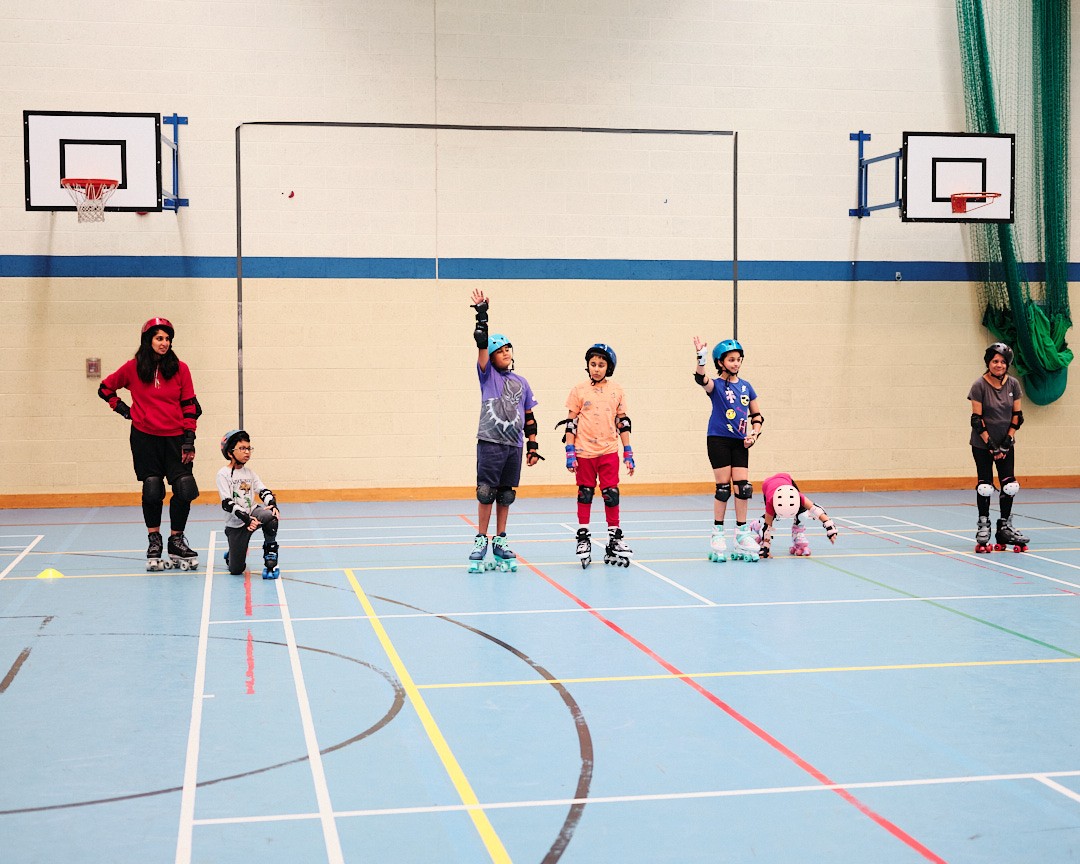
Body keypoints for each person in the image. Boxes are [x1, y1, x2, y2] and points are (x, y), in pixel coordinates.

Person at [98, 318, 201, 570]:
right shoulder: (133, 368)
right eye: (159, 338)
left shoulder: (181, 368)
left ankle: (176, 540)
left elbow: (190, 405)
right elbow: (105, 388)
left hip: (176, 438)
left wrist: (189, 439)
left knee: (185, 488)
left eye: (167, 339)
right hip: (145, 437)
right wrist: (124, 410)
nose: (164, 343)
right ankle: (154, 540)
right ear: (148, 340)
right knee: (153, 488)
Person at [467, 288, 542, 573]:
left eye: (508, 348)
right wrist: (482, 314)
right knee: (486, 492)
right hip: (489, 442)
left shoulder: (522, 381)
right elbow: (481, 343)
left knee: (506, 494)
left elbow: (530, 415)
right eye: (499, 350)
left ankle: (500, 540)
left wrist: (533, 446)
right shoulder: (487, 376)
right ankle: (481, 539)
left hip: (514, 445)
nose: (505, 353)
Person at [559, 343, 635, 569]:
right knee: (585, 493)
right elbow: (571, 423)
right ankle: (583, 536)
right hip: (584, 453)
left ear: (608, 367)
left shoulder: (617, 391)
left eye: (601, 365)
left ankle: (614, 536)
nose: (596, 369)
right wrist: (569, 452)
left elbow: (623, 422)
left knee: (611, 493)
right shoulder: (579, 390)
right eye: (593, 364)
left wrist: (628, 452)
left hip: (609, 451)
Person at [693, 336, 764, 563]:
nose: (736, 363)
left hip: (740, 442)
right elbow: (701, 379)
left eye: (739, 359)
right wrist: (701, 357)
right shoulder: (716, 386)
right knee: (723, 488)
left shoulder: (746, 386)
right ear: (721, 362)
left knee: (743, 488)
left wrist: (754, 434)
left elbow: (757, 416)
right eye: (731, 360)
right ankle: (718, 534)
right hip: (718, 440)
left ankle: (742, 534)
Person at [969, 342, 1028, 552]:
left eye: (1003, 362)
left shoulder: (1013, 385)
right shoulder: (979, 385)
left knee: (1010, 485)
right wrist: (991, 444)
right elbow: (976, 419)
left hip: (1005, 444)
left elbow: (1017, 416)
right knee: (985, 487)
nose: (999, 365)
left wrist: (1006, 441)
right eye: (995, 361)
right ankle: (983, 524)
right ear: (988, 363)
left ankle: (1005, 526)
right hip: (982, 444)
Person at [217, 430, 281, 578]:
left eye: (249, 448)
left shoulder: (250, 473)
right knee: (236, 570)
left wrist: (272, 503)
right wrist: (246, 519)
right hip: (237, 523)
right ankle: (232, 555)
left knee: (271, 516)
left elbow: (263, 490)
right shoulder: (223, 474)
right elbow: (227, 503)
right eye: (242, 448)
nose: (247, 452)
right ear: (230, 452)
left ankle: (270, 556)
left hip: (253, 514)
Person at [750, 473, 838, 558]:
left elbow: (815, 509)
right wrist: (766, 546)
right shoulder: (771, 501)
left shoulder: (797, 496)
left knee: (802, 514)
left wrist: (829, 526)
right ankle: (757, 525)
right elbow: (768, 525)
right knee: (770, 517)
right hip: (768, 485)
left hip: (786, 479)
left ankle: (798, 535)